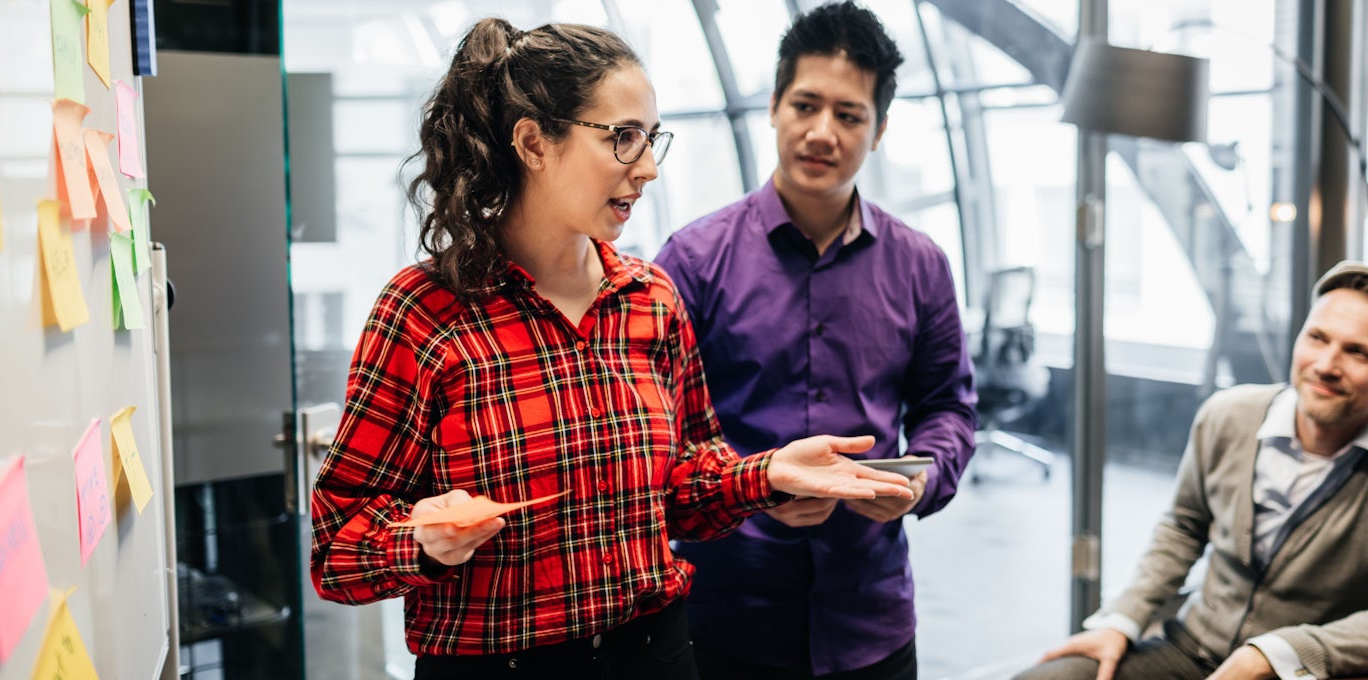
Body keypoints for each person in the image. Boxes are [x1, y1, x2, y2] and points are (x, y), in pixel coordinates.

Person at [307, 17, 915, 680]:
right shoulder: (425, 314)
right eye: (623, 139)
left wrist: (766, 474)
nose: (649, 168)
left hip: (658, 655)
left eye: (652, 140)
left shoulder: (651, 298)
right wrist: (419, 542)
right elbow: (337, 548)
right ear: (535, 143)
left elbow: (683, 490)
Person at [654, 3, 977, 678]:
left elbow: (948, 409)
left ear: (879, 129)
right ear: (774, 106)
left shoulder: (921, 264)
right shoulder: (692, 260)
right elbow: (655, 430)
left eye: (850, 115)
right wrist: (752, 483)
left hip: (871, 616)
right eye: (806, 105)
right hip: (725, 612)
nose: (822, 132)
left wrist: (918, 480)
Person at [1017, 261, 1368, 680]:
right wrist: (1123, 618)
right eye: (1317, 338)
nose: (1326, 365)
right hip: (1190, 649)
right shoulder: (1228, 415)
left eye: (1358, 353)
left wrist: (1275, 653)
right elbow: (1183, 528)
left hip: (1300, 671)